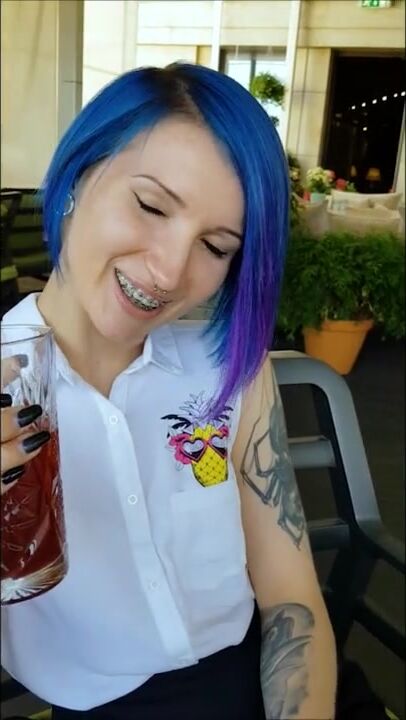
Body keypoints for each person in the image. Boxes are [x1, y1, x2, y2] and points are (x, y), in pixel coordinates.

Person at [1, 63, 337, 719]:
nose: (169, 271)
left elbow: (291, 600)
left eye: (215, 246)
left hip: (269, 676)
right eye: (151, 206)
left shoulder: (229, 368)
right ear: (77, 176)